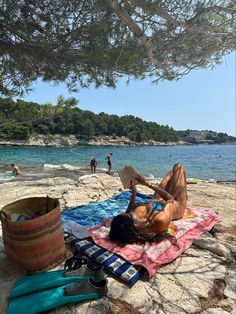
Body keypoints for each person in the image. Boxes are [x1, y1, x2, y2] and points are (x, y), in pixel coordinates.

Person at [109, 163, 187, 244]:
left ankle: (179, 187)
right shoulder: (159, 221)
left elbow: (129, 209)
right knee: (178, 167)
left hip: (156, 199)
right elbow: (170, 198)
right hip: (175, 204)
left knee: (171, 173)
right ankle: (184, 197)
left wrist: (134, 191)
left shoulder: (129, 221)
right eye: (130, 214)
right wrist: (147, 184)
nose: (128, 212)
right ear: (136, 224)